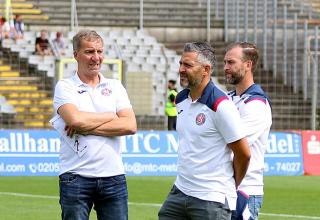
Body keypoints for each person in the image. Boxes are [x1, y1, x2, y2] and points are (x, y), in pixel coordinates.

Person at [158, 42, 251, 220]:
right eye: (180, 64)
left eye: (188, 65)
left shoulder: (221, 105)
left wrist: (230, 185)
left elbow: (244, 154)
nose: (181, 69)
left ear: (206, 70)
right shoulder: (181, 99)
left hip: (211, 199)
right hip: (180, 191)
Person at [51, 30, 137, 220]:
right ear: (76, 55)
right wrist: (110, 115)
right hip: (75, 176)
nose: (96, 57)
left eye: (99, 51)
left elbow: (130, 125)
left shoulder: (115, 86)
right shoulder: (65, 86)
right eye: (89, 52)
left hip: (113, 176)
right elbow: (75, 120)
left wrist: (85, 124)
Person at [224, 42, 272, 220]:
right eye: (225, 62)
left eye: (231, 62)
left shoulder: (257, 104)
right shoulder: (228, 98)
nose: (225, 68)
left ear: (248, 65)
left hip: (245, 191)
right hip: (223, 188)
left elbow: (232, 143)